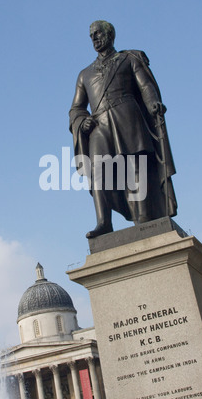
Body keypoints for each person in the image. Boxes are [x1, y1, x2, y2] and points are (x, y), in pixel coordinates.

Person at [69, 20, 177, 238]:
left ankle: (144, 219)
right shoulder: (85, 74)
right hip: (99, 126)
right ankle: (104, 222)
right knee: (98, 172)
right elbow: (76, 108)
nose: (94, 38)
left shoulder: (129, 59)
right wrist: (82, 120)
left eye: (97, 34)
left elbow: (145, 86)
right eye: (91, 36)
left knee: (136, 167)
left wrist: (153, 103)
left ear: (110, 35)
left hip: (128, 117)